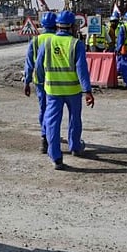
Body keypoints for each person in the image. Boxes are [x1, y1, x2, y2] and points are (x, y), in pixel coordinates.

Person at [35, 10, 95, 170]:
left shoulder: (46, 43)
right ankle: (75, 147)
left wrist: (41, 82)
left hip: (53, 91)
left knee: (52, 122)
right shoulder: (76, 44)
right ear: (72, 26)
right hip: (73, 91)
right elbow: (82, 69)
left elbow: (38, 66)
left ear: (57, 25)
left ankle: (56, 157)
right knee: (75, 119)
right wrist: (87, 90)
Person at [24, 11, 57, 153]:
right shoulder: (58, 38)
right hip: (56, 81)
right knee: (54, 111)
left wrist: (27, 81)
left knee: (43, 109)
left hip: (40, 81)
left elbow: (29, 63)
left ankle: (44, 139)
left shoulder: (35, 41)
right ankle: (53, 136)